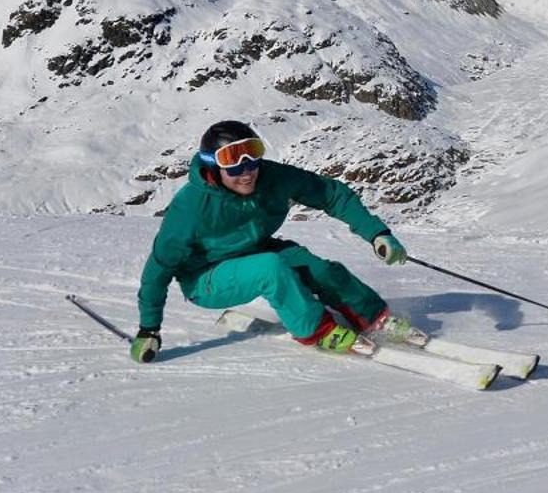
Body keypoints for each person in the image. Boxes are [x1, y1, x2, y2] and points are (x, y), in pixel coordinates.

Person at [129, 120, 410, 363]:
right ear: (213, 167)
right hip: (204, 277)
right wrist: (148, 329)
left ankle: (373, 316)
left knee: (319, 269)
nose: (247, 171)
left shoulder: (272, 178)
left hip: (253, 248)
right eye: (233, 164)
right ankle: (317, 330)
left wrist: (377, 234)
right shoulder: (190, 208)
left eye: (252, 157)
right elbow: (159, 268)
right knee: (271, 268)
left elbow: (330, 194)